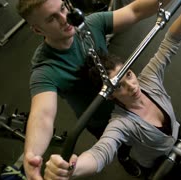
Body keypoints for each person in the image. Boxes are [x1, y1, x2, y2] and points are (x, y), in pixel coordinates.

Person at [43, 6, 181, 180]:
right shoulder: (120, 123)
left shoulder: (148, 79)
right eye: (119, 86)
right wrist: (72, 168)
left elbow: (170, 41)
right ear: (109, 95)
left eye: (128, 75)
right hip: (157, 158)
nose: (132, 86)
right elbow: (101, 153)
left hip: (177, 133)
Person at [16, 0, 170, 179]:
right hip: (102, 121)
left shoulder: (90, 24)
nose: (65, 19)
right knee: (121, 148)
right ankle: (126, 158)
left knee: (153, 135)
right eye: (52, 19)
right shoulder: (45, 69)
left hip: (128, 100)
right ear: (37, 30)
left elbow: (135, 11)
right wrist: (32, 156)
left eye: (63, 9)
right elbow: (42, 116)